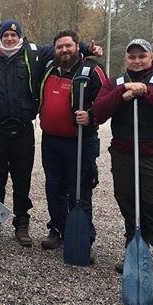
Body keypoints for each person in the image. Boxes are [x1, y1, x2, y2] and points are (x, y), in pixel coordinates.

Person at [0, 19, 101, 246]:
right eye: (6, 35)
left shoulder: (33, 53)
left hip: (22, 129)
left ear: (20, 37)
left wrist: (86, 49)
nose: (10, 39)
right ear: (0, 37)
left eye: (14, 35)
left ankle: (21, 224)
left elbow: (64, 48)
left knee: (22, 181)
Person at [92, 38, 153, 292]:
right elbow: (98, 112)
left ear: (150, 57)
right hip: (124, 153)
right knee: (129, 203)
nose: (136, 61)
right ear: (126, 59)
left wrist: (146, 91)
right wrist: (120, 95)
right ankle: (136, 249)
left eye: (141, 56)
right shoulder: (115, 82)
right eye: (132, 57)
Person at [38, 30, 107, 253]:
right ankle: (57, 228)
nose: (64, 50)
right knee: (53, 187)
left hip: (80, 142)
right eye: (60, 47)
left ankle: (83, 237)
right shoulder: (48, 67)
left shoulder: (93, 70)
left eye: (68, 46)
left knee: (79, 190)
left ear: (78, 46)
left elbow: (106, 102)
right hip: (51, 141)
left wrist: (91, 116)